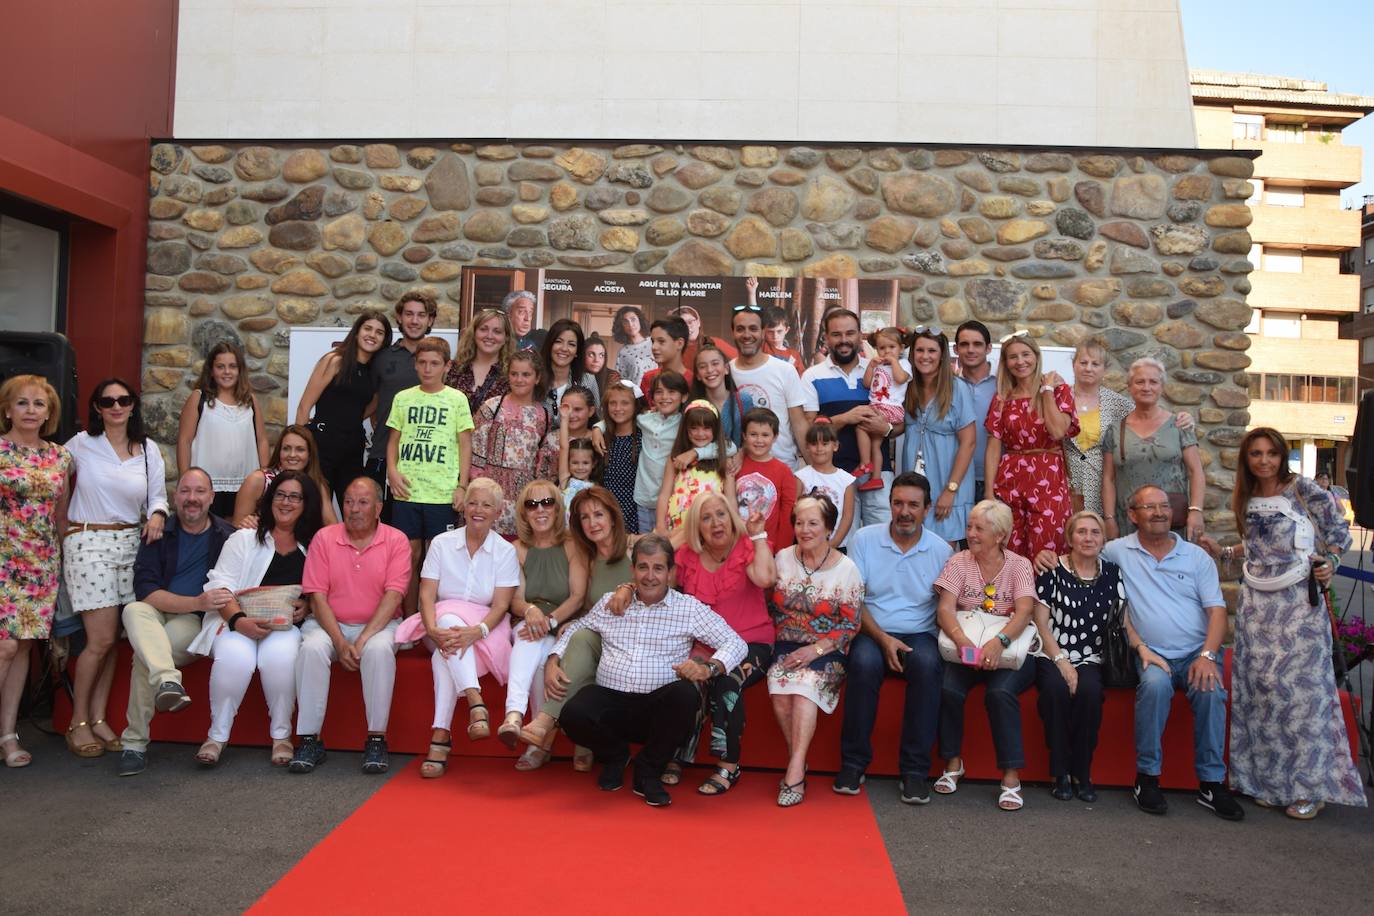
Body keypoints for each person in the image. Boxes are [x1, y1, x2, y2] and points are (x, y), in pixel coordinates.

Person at [1200, 428, 1364, 819]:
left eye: (1271, 453)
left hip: (1297, 606)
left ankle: (1309, 787)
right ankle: (1269, 782)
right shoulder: (1248, 494)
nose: (1264, 461)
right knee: (1263, 693)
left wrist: (1331, 565)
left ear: (1282, 455)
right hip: (1258, 606)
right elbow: (1259, 543)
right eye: (1256, 454)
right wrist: (1223, 550)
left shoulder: (1304, 490)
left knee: (1300, 697)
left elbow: (1339, 534)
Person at [554, 535, 748, 807]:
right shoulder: (612, 602)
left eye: (658, 568)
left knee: (685, 695)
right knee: (572, 713)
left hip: (658, 710)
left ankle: (648, 768)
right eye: (643, 567)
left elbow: (736, 643)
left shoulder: (688, 608)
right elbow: (577, 626)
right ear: (633, 571)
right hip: (613, 701)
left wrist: (710, 668)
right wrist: (553, 659)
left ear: (670, 573)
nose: (650, 576)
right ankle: (615, 755)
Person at [1104, 485, 1243, 820]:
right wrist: (1046, 556)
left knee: (1211, 690)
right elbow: (1079, 556)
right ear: (1132, 515)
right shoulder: (1116, 551)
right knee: (1154, 686)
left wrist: (1207, 656)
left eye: (1164, 506)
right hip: (1151, 654)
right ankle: (1147, 778)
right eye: (1149, 507)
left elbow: (1217, 612)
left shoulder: (1195, 557)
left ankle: (1211, 783)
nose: (1159, 512)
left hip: (1196, 651)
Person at [63, 379, 168, 758]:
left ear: (133, 405)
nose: (116, 406)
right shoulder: (80, 445)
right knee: (101, 639)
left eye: (123, 400)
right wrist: (62, 530)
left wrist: (157, 515)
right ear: (96, 407)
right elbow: (52, 482)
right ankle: (77, 722)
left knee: (115, 641)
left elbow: (158, 495)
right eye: (107, 401)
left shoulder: (147, 450)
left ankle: (99, 717)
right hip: (89, 540)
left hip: (131, 543)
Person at [188, 471, 323, 767]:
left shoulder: (313, 545)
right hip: (238, 619)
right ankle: (216, 736)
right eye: (280, 495)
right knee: (235, 657)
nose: (286, 502)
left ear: (305, 504)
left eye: (294, 497)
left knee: (281, 658)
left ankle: (281, 736)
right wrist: (239, 622)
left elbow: (324, 590)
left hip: (285, 624)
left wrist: (309, 607)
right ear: (269, 499)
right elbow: (219, 585)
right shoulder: (244, 538)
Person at [836, 473, 953, 803]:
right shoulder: (864, 539)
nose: (904, 511)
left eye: (914, 505)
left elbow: (946, 607)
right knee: (862, 662)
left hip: (919, 633)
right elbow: (854, 602)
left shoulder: (942, 551)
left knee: (930, 665)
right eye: (898, 503)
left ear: (927, 509)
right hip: (872, 629)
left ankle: (915, 771)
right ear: (889, 505)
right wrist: (884, 639)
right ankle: (853, 764)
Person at [117, 467, 235, 776]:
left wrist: (197, 607)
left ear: (212, 497)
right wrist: (196, 601)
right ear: (175, 496)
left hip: (193, 622)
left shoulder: (228, 536)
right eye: (185, 491)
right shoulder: (159, 532)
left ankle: (134, 743)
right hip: (162, 611)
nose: (192, 499)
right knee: (133, 611)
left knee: (146, 655)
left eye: (199, 492)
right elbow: (145, 590)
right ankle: (167, 681)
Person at [289, 477, 410, 775]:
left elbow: (394, 595)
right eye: (348, 501)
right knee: (313, 647)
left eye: (363, 502)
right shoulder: (325, 538)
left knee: (380, 649)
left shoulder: (396, 540)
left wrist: (363, 638)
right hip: (330, 623)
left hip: (380, 625)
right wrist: (340, 641)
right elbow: (317, 596)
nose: (353, 509)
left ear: (378, 508)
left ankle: (376, 738)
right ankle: (309, 739)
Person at [400, 478, 518, 778]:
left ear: (498, 511)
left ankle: (440, 735)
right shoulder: (441, 543)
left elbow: (501, 605)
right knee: (448, 621)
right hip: (437, 624)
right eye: (473, 502)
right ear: (463, 506)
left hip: (485, 631)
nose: (478, 510)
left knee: (444, 656)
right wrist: (431, 627)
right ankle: (474, 698)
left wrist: (477, 631)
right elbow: (426, 594)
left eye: (486, 504)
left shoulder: (505, 551)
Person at [666, 492, 776, 794]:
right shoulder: (687, 556)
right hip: (705, 647)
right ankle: (678, 754)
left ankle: (729, 765)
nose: (716, 523)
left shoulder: (746, 547)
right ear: (696, 527)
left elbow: (766, 579)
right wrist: (679, 536)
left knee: (725, 681)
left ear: (732, 517)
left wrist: (758, 535)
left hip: (752, 642)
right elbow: (654, 563)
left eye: (721, 515)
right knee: (683, 682)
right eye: (706, 518)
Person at [519, 485, 634, 772]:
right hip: (601, 642)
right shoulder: (589, 560)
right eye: (584, 517)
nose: (593, 523)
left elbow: (660, 578)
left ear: (612, 517)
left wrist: (628, 587)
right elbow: (586, 609)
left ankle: (548, 727)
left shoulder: (636, 547)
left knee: (581, 636)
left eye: (598, 514)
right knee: (578, 634)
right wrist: (553, 658)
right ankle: (554, 726)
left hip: (637, 643)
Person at [932, 499, 1037, 811]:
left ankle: (1010, 776)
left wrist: (998, 642)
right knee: (949, 688)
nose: (972, 533)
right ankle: (953, 763)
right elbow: (945, 609)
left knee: (1000, 692)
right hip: (965, 644)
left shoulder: (1019, 565)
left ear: (1000, 535)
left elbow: (1024, 611)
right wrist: (965, 644)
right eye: (969, 527)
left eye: (980, 528)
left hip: (1007, 648)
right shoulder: (959, 562)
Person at [767, 494, 865, 806]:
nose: (804, 529)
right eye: (799, 522)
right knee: (780, 690)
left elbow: (852, 624)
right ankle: (800, 759)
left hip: (828, 648)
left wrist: (816, 650)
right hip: (786, 642)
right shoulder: (782, 558)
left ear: (828, 528)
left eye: (813, 523)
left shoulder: (846, 568)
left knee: (805, 689)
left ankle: (795, 771)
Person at [0, 375, 72, 768]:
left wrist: (66, 564)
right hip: (3, 559)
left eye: (38, 404)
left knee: (23, 646)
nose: (31, 410)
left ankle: (9, 735)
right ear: (7, 409)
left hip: (41, 562)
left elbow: (60, 515)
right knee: (6, 646)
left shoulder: (60, 457)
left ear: (49, 412)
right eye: (22, 403)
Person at [1031, 510, 1123, 803]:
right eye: (1081, 531)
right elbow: (1040, 623)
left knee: (1090, 693)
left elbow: (1122, 620)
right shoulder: (1051, 570)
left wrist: (1141, 647)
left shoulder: (1111, 573)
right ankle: (1060, 771)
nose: (1088, 537)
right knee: (1056, 691)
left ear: (1103, 539)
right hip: (1051, 651)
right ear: (1069, 538)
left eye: (1095, 532)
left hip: (1092, 656)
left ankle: (1082, 772)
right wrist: (1062, 663)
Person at [498, 480, 588, 770]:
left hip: (563, 622)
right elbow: (516, 599)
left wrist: (549, 620)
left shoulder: (572, 544)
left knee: (539, 657)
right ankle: (521, 724)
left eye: (547, 502)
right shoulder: (517, 549)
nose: (540, 510)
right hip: (531, 622)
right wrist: (532, 611)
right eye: (531, 504)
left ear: (558, 508)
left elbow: (577, 597)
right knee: (529, 642)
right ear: (523, 513)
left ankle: (528, 729)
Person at [386, 336, 473, 612]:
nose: (427, 369)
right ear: (415, 364)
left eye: (434, 363)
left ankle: (435, 616)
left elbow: (465, 445)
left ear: (447, 366)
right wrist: (392, 471)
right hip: (407, 490)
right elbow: (393, 441)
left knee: (438, 558)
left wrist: (462, 486)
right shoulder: (403, 398)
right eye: (422, 362)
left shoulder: (457, 399)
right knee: (408, 556)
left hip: (442, 492)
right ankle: (410, 616)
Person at [984, 331, 1078, 559]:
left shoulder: (1059, 390)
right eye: (1013, 357)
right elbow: (994, 447)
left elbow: (1057, 431)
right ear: (1006, 363)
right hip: (1010, 478)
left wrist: (1046, 391)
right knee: (1009, 547)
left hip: (1048, 477)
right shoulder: (1002, 398)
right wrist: (988, 493)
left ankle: (1044, 595)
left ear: (1036, 356)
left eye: (1025, 354)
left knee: (1047, 546)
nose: (1020, 361)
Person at [802, 308, 896, 528]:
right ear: (826, 337)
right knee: (841, 540)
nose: (844, 340)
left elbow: (899, 426)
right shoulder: (812, 376)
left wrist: (886, 428)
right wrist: (846, 418)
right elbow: (809, 429)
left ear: (860, 335)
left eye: (850, 333)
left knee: (881, 538)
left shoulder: (880, 371)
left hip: (877, 474)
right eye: (836, 334)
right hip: (835, 474)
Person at [1102, 357, 1205, 544]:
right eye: (1139, 381)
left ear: (1162, 387)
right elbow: (1109, 478)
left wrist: (1196, 511)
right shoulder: (1115, 431)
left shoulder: (1180, 425)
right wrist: (1109, 519)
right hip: (1129, 521)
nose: (1146, 387)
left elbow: (1195, 471)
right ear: (1129, 387)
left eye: (1153, 382)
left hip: (1170, 522)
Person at [295, 310, 392, 505]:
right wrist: (301, 449)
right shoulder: (334, 360)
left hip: (353, 447)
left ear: (384, 340)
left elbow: (369, 407)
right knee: (316, 508)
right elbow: (304, 407)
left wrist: (350, 421)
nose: (372, 335)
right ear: (357, 332)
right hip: (322, 445)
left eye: (379, 332)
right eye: (368, 329)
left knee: (353, 506)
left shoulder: (374, 372)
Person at [469, 351, 559, 537]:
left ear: (537, 378)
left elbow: (543, 466)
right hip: (489, 498)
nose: (519, 379)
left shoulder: (544, 416)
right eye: (514, 374)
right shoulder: (492, 407)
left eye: (526, 374)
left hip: (523, 502)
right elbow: (474, 453)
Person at [900, 326, 976, 546]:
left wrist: (950, 491)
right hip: (915, 485)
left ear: (942, 355)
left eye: (932, 351)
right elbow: (899, 427)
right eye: (920, 350)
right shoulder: (908, 387)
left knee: (943, 556)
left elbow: (969, 443)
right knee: (913, 551)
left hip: (947, 484)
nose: (925, 356)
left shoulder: (956, 388)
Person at [176, 341, 268, 518]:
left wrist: (266, 477)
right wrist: (185, 480)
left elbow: (262, 440)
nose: (227, 372)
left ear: (240, 370)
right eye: (220, 367)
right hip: (207, 486)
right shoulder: (199, 398)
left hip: (245, 484)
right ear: (211, 370)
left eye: (232, 366)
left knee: (239, 534)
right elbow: (184, 441)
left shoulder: (250, 401)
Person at [368, 291, 438, 491]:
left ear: (430, 320)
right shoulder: (381, 357)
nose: (414, 321)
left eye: (421, 315)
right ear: (399, 317)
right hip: (382, 453)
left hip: (427, 459)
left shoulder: (439, 359)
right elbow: (372, 403)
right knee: (381, 521)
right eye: (409, 314)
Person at [730, 304, 809, 468]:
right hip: (740, 470)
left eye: (753, 328)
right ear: (733, 332)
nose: (746, 335)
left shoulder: (785, 370)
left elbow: (799, 423)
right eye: (740, 329)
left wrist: (814, 470)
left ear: (762, 332)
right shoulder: (726, 371)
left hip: (784, 467)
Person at [1064, 336, 1133, 517]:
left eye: (1095, 364)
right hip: (1064, 482)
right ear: (1074, 365)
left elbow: (1146, 419)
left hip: (1101, 484)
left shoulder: (1118, 404)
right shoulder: (1059, 397)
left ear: (1104, 369)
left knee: (1097, 535)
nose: (1088, 368)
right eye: (1083, 362)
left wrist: (1183, 418)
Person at [232, 425, 336, 528]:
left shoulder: (316, 483)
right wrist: (246, 523)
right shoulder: (258, 480)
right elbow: (235, 526)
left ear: (309, 455)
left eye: (300, 449)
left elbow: (332, 527)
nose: (292, 455)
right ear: (279, 452)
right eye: (286, 449)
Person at [656, 399, 736, 533]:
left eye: (706, 428)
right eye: (694, 428)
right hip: (676, 529)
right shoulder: (676, 458)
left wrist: (733, 527)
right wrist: (660, 526)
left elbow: (731, 498)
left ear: (715, 430)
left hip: (710, 532)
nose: (700, 434)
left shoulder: (724, 460)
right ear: (685, 429)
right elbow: (664, 495)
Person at [735, 407, 798, 552]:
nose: (759, 440)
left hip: (769, 547)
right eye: (753, 434)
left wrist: (782, 551)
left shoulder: (784, 471)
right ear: (744, 435)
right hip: (737, 547)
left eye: (765, 435)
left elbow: (787, 514)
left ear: (775, 437)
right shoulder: (735, 466)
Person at [856, 327, 911, 492]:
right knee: (876, 444)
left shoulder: (904, 364)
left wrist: (894, 362)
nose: (886, 351)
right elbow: (867, 384)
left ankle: (865, 464)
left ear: (901, 348)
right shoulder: (878, 364)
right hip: (877, 406)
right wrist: (871, 366)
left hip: (890, 408)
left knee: (860, 426)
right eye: (882, 348)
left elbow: (901, 379)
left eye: (891, 347)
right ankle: (876, 478)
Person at [953, 320, 997, 503]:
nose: (970, 350)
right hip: (956, 478)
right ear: (955, 349)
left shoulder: (1005, 383)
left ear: (988, 348)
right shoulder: (948, 385)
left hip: (995, 479)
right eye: (964, 344)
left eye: (977, 344)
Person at [794, 420, 856, 548]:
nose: (819, 448)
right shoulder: (801, 477)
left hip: (836, 546)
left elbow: (847, 517)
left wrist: (833, 544)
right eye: (814, 444)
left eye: (825, 443)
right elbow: (794, 512)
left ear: (835, 446)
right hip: (806, 544)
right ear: (806, 446)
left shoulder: (846, 480)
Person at [445, 307, 512, 412]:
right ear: (474, 333)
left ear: (506, 338)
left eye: (497, 331)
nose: (489, 336)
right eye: (483, 329)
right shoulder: (454, 369)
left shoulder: (511, 375)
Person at [689, 343, 753, 447]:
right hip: (703, 462)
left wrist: (741, 454)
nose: (709, 370)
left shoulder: (743, 400)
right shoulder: (694, 406)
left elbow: (752, 436)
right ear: (698, 375)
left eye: (715, 363)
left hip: (739, 462)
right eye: (702, 366)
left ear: (726, 368)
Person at [596, 383, 641, 533]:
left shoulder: (643, 436)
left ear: (635, 406)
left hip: (635, 511)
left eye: (625, 403)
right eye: (612, 403)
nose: (618, 408)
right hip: (607, 508)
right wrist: (597, 428)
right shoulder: (603, 437)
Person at [540, 318, 600, 425]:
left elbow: (597, 420)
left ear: (577, 351)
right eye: (558, 341)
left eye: (571, 344)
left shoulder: (588, 380)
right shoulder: (535, 378)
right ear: (550, 345)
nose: (564, 348)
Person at [672, 304, 737, 371]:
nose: (687, 327)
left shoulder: (714, 342)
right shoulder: (673, 350)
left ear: (698, 322)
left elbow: (739, 360)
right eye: (682, 325)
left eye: (690, 322)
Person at [639, 316, 692, 395]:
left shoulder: (693, 382)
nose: (654, 347)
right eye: (653, 341)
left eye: (661, 341)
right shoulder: (648, 378)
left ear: (679, 343)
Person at [611, 305, 656, 387]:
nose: (630, 324)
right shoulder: (623, 353)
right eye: (625, 322)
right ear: (621, 326)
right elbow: (622, 382)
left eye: (633, 319)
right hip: (635, 396)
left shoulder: (654, 342)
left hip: (657, 393)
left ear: (640, 320)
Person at [582, 333, 627, 401]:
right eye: (591, 355)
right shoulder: (576, 376)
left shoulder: (612, 377)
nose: (596, 360)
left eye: (601, 355)